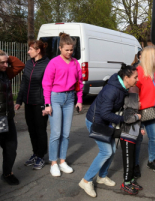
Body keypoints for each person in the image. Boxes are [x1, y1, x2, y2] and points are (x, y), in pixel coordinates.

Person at [79, 64, 138, 198]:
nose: (137, 79)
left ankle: (102, 176)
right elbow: (105, 114)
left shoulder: (122, 87)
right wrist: (124, 119)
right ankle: (86, 180)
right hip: (96, 122)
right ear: (126, 77)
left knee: (111, 150)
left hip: (104, 122)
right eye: (135, 77)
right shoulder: (112, 90)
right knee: (106, 151)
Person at [42, 32, 83, 177]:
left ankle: (62, 161)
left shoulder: (75, 63)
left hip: (70, 98)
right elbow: (46, 84)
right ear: (60, 48)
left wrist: (79, 100)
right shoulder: (53, 62)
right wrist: (47, 104)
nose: (69, 52)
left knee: (65, 134)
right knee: (56, 133)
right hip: (56, 98)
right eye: (67, 50)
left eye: (71, 50)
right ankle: (53, 163)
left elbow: (79, 83)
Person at [15, 40, 50, 170]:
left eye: (30, 49)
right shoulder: (29, 63)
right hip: (28, 102)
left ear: (38, 50)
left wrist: (47, 104)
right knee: (31, 129)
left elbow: (49, 86)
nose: (28, 51)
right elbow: (24, 83)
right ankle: (35, 153)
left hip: (40, 103)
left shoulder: (47, 64)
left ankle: (41, 156)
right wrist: (19, 100)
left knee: (40, 130)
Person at [134, 45, 155, 175]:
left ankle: (151, 161)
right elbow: (132, 93)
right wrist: (136, 108)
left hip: (153, 112)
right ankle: (134, 164)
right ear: (150, 57)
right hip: (140, 113)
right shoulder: (137, 72)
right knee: (138, 139)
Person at [0, 51, 25, 185]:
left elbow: (19, 65)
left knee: (10, 147)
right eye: (2, 63)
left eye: (6, 62)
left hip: (7, 118)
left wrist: (7, 57)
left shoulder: (6, 73)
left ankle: (7, 173)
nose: (6, 64)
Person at [120, 86, 145, 195]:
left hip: (133, 138)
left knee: (133, 160)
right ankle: (125, 183)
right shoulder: (128, 108)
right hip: (127, 138)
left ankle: (130, 180)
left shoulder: (135, 109)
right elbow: (127, 119)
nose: (140, 101)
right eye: (138, 99)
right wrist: (138, 117)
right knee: (128, 162)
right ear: (133, 99)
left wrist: (141, 127)